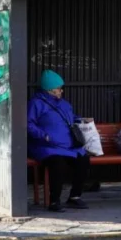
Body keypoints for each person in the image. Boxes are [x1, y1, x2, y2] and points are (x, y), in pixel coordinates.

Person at [27, 69, 90, 212]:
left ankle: (74, 197)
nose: (61, 91)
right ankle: (54, 201)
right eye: (58, 88)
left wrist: (82, 120)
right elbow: (28, 124)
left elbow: (70, 118)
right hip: (46, 145)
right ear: (49, 89)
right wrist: (43, 135)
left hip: (67, 145)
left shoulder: (64, 104)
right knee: (58, 163)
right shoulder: (36, 103)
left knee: (83, 159)